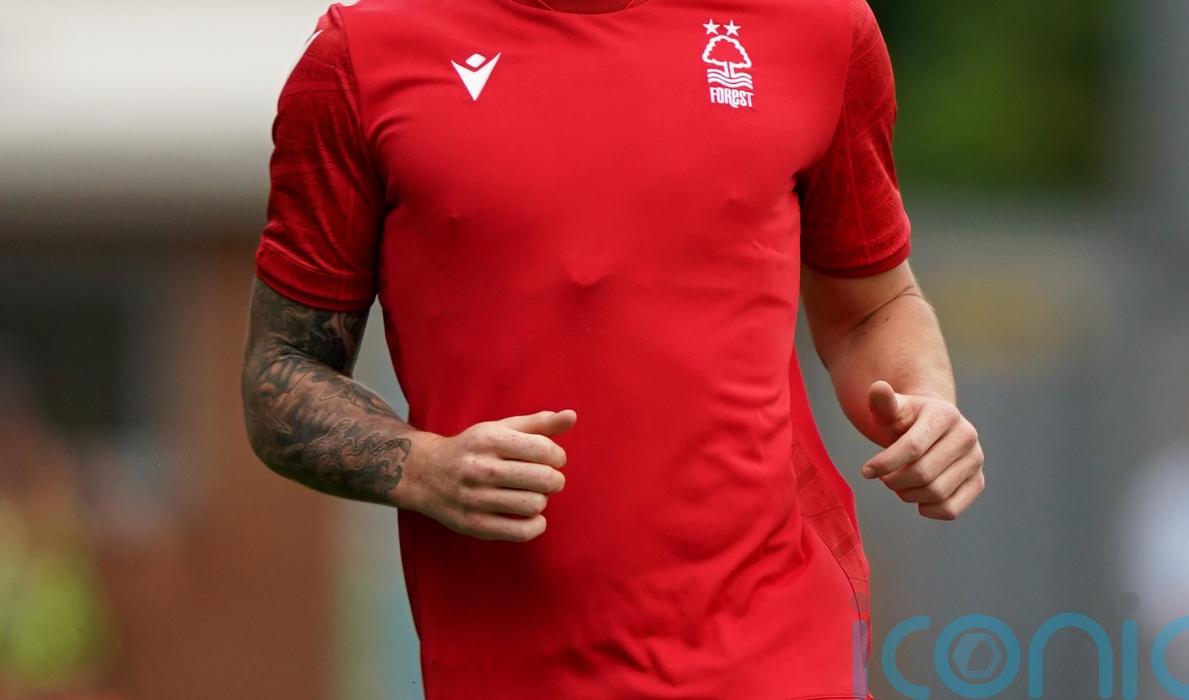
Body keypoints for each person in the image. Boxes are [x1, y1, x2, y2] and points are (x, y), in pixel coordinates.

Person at [240, 0, 985, 696]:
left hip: (777, 647)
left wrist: (924, 405)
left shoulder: (818, 27)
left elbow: (870, 309)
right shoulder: (364, 57)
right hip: (509, 664)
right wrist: (423, 467)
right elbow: (281, 374)